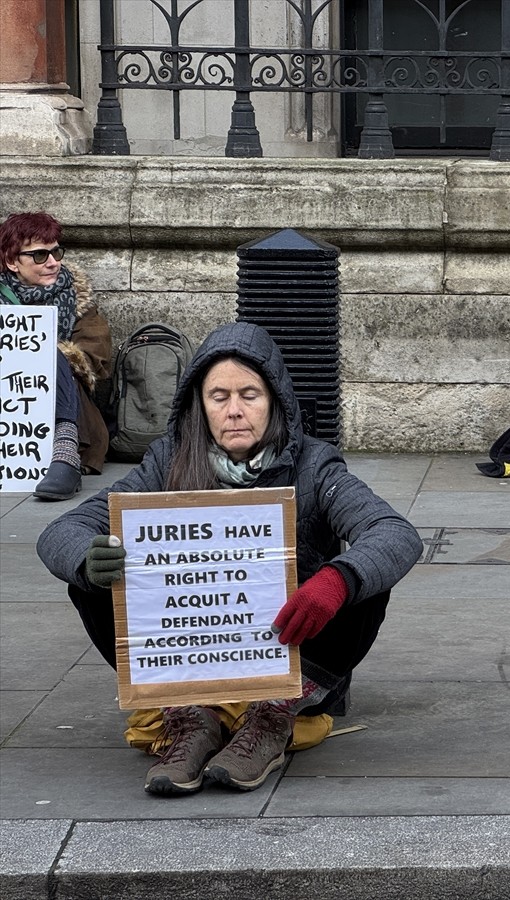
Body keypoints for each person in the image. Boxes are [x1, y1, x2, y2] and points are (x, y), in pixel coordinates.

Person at [37, 321, 423, 796]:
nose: (235, 411)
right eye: (219, 397)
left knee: (365, 577)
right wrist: (85, 559)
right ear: (200, 404)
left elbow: (395, 533)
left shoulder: (314, 465)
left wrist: (333, 582)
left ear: (275, 401)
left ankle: (274, 717)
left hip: (289, 651)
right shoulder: (167, 460)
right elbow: (62, 531)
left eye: (250, 395)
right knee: (93, 576)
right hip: (193, 657)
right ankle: (188, 718)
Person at [1, 211, 112, 499]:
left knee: (52, 352)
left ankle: (65, 449)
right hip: (8, 400)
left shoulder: (77, 296)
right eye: (39, 255)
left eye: (55, 252)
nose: (52, 262)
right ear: (13, 261)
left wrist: (42, 353)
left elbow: (95, 356)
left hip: (68, 398)